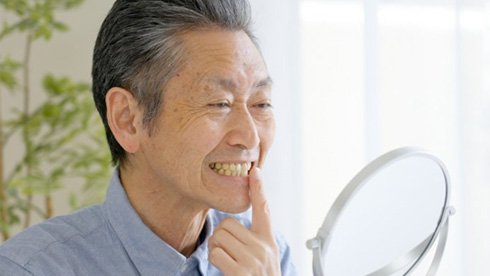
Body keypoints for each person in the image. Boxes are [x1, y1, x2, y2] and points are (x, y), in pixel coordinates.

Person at [0, 0, 296, 275]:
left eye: (261, 104)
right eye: (219, 103)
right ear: (127, 119)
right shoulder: (32, 268)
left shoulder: (268, 256)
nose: (250, 136)